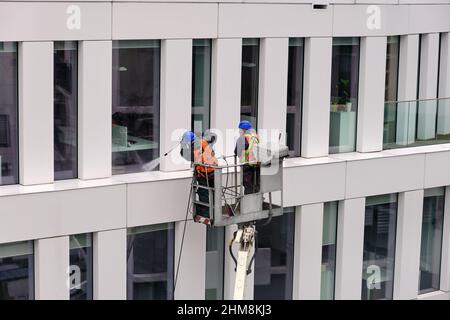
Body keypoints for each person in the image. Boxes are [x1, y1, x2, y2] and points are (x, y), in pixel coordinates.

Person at [181, 130, 218, 225]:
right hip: (214, 171)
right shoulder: (203, 142)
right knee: (214, 192)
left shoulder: (194, 147)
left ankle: (206, 214)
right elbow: (214, 136)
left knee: (203, 193)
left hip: (204, 174)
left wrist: (183, 146)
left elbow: (185, 156)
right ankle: (215, 212)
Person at [234, 120, 260, 195]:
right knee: (256, 186)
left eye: (240, 130)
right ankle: (256, 204)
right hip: (256, 165)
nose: (239, 131)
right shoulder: (255, 137)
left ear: (243, 129)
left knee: (248, 187)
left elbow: (237, 153)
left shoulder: (242, 138)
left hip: (247, 165)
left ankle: (248, 205)